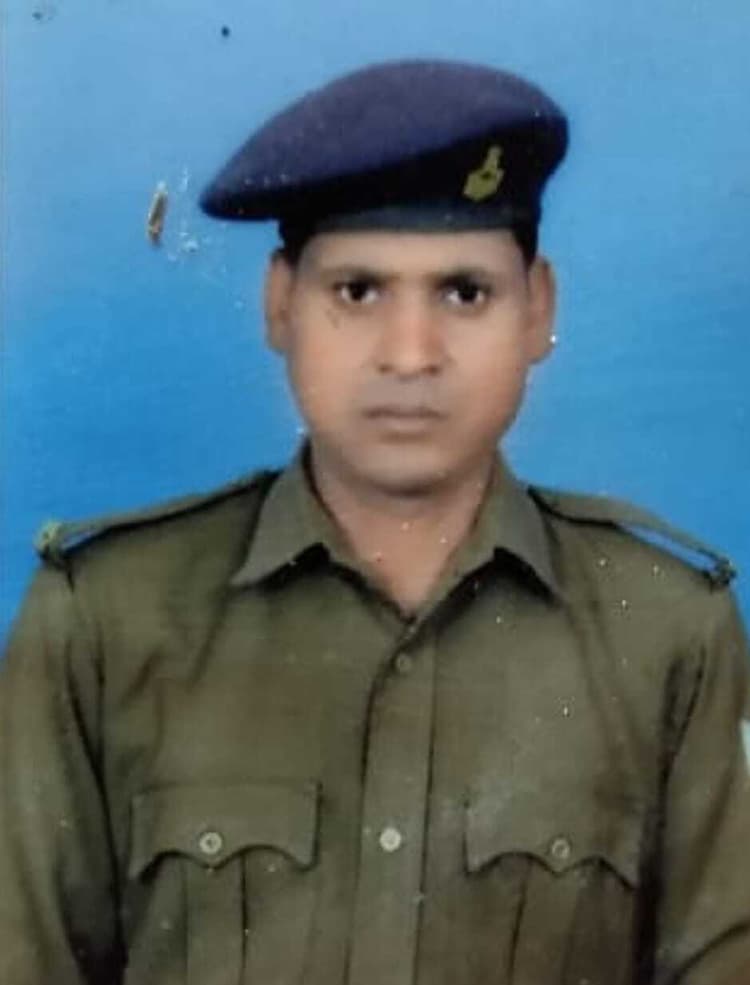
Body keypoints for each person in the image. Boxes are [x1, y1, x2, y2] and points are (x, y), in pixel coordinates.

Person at [1, 58, 749, 985]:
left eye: (464, 292)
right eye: (357, 290)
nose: (410, 354)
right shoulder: (104, 620)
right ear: (280, 305)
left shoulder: (669, 632)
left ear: (538, 311)